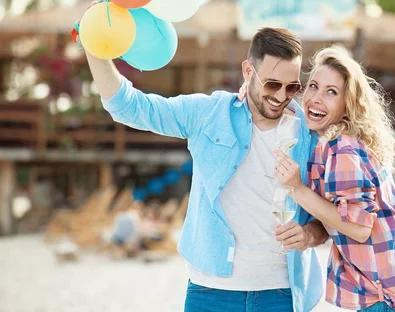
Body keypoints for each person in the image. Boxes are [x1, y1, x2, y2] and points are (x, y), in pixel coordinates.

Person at [84, 27, 329, 312]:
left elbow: (330, 217)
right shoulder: (209, 114)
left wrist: (310, 235)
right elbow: (129, 107)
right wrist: (94, 45)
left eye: (292, 87)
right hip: (211, 292)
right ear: (248, 71)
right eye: (272, 84)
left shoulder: (311, 135)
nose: (282, 96)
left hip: (282, 294)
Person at [272, 45, 395, 311]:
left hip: (389, 300)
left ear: (348, 103)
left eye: (331, 92)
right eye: (313, 86)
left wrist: (297, 188)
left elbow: (359, 228)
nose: (316, 98)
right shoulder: (343, 142)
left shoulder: (341, 148)